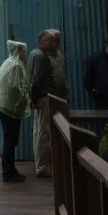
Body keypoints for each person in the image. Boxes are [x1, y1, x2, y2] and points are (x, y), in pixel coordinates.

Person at [0, 39, 30, 183]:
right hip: (10, 107)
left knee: (9, 139)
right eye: (23, 51)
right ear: (19, 52)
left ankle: (10, 169)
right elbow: (15, 88)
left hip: (4, 106)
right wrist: (25, 100)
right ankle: (8, 172)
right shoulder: (16, 65)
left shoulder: (8, 62)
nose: (25, 54)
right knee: (10, 140)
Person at [28, 28, 68, 178]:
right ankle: (43, 166)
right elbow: (36, 80)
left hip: (41, 97)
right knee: (44, 132)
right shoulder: (41, 57)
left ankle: (41, 163)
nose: (54, 44)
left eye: (55, 40)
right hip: (44, 97)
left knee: (38, 131)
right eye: (51, 41)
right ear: (43, 41)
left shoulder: (34, 54)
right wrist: (33, 98)